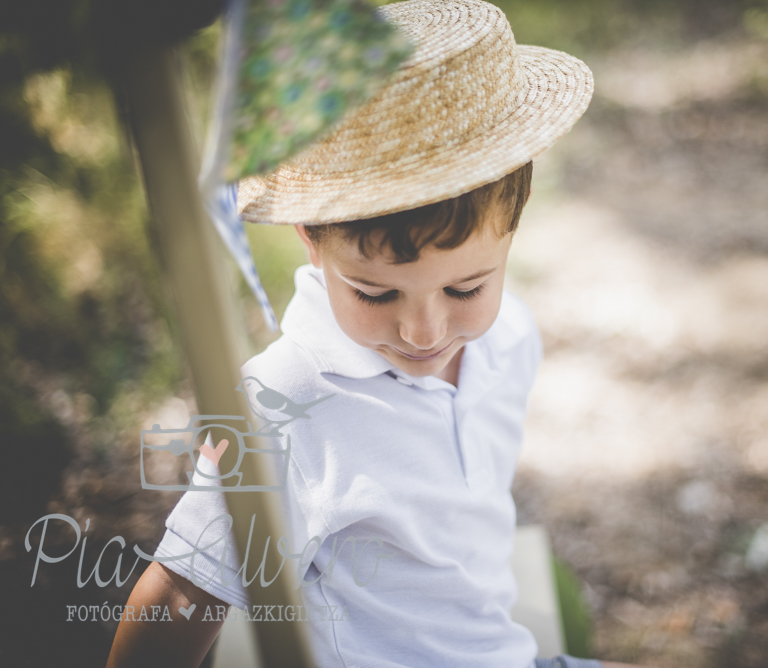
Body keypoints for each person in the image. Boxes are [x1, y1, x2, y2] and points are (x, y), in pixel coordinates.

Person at [107, 1, 645, 666]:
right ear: (311, 239)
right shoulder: (288, 406)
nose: (424, 330)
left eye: (465, 288)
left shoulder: (508, 340)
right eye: (376, 292)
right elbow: (174, 604)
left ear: (513, 226)